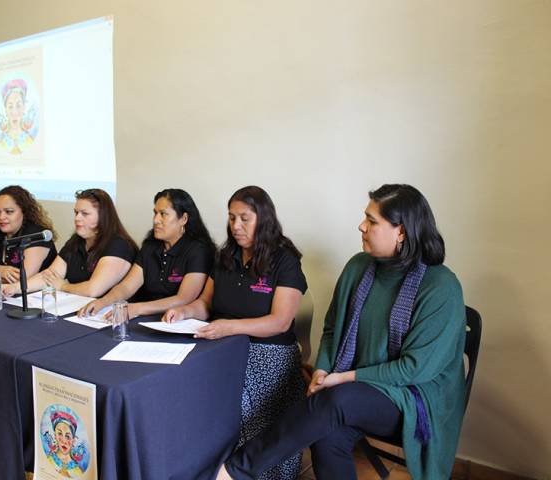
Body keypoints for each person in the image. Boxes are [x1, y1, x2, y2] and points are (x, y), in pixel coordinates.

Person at [216, 184, 466, 480]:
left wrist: (342, 378)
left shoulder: (441, 286)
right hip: (357, 392)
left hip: (413, 397)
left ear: (402, 232)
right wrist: (322, 369)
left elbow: (415, 369)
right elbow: (333, 328)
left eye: (372, 221)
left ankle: (236, 470)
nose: (361, 226)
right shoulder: (358, 267)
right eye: (365, 217)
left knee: (337, 400)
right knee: (327, 434)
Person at [163, 186, 307, 480]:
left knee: (231, 404)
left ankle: (242, 472)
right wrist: (186, 312)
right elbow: (205, 303)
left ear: (263, 219)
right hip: (222, 346)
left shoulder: (284, 259)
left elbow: (280, 321)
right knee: (181, 389)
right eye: (231, 218)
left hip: (269, 353)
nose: (236, 226)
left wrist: (230, 327)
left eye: (245, 218)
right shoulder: (225, 255)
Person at [78, 188, 214, 320]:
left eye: (163, 214)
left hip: (178, 321)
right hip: (146, 318)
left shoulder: (198, 250)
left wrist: (137, 309)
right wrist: (103, 302)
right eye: (155, 213)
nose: (156, 220)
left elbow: (184, 298)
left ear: (184, 219)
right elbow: (126, 287)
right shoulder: (151, 246)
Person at [3, 189, 137, 297]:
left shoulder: (119, 245)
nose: (77, 218)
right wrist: (15, 288)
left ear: (103, 216)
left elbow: (93, 290)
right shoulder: (76, 241)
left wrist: (62, 286)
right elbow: (50, 276)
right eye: (76, 213)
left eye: (85, 214)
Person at [0, 185, 57, 284]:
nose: (1, 217)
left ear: (24, 212)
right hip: (4, 293)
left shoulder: (37, 235)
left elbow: (22, 279)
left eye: (9, 212)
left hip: (35, 296)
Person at [0, 78, 37, 154]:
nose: (14, 112)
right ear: (6, 110)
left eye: (18, 105)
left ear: (24, 108)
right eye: (10, 106)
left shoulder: (30, 140)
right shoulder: (1, 143)